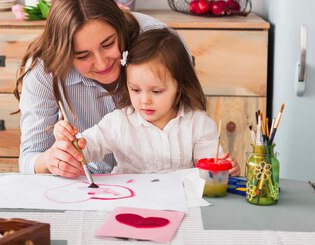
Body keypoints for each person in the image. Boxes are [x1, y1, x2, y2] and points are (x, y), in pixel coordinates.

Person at [15, 0, 182, 176]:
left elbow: (192, 118)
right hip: (90, 184)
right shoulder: (44, 70)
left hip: (159, 180)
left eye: (108, 44)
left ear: (120, 27)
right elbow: (28, 159)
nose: (102, 64)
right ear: (65, 55)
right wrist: (50, 160)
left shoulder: (160, 44)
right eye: (83, 56)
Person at [54, 28, 240, 175]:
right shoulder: (120, 122)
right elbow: (88, 147)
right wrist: (70, 141)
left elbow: (209, 168)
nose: (144, 101)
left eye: (157, 91)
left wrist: (225, 171)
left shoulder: (198, 124)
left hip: (180, 204)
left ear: (180, 86)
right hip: (128, 203)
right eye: (135, 90)